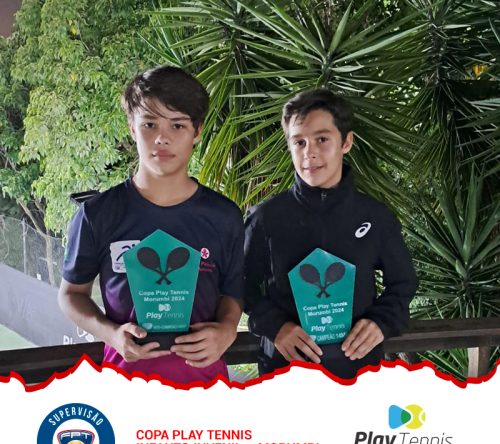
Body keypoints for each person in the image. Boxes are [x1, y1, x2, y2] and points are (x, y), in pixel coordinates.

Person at [59, 66, 244, 384]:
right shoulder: (98, 214)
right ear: (132, 128)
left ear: (197, 132)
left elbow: (233, 293)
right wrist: (112, 334)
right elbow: (71, 295)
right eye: (149, 124)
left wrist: (227, 330)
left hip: (206, 388)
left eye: (177, 125)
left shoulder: (224, 216)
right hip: (124, 389)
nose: (162, 137)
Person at [244, 88, 417, 379]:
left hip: (358, 370)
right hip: (285, 372)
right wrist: (274, 326)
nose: (309, 152)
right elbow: (239, 284)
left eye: (322, 139)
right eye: (299, 142)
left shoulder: (375, 217)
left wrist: (381, 322)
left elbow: (403, 282)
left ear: (346, 142)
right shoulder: (265, 218)